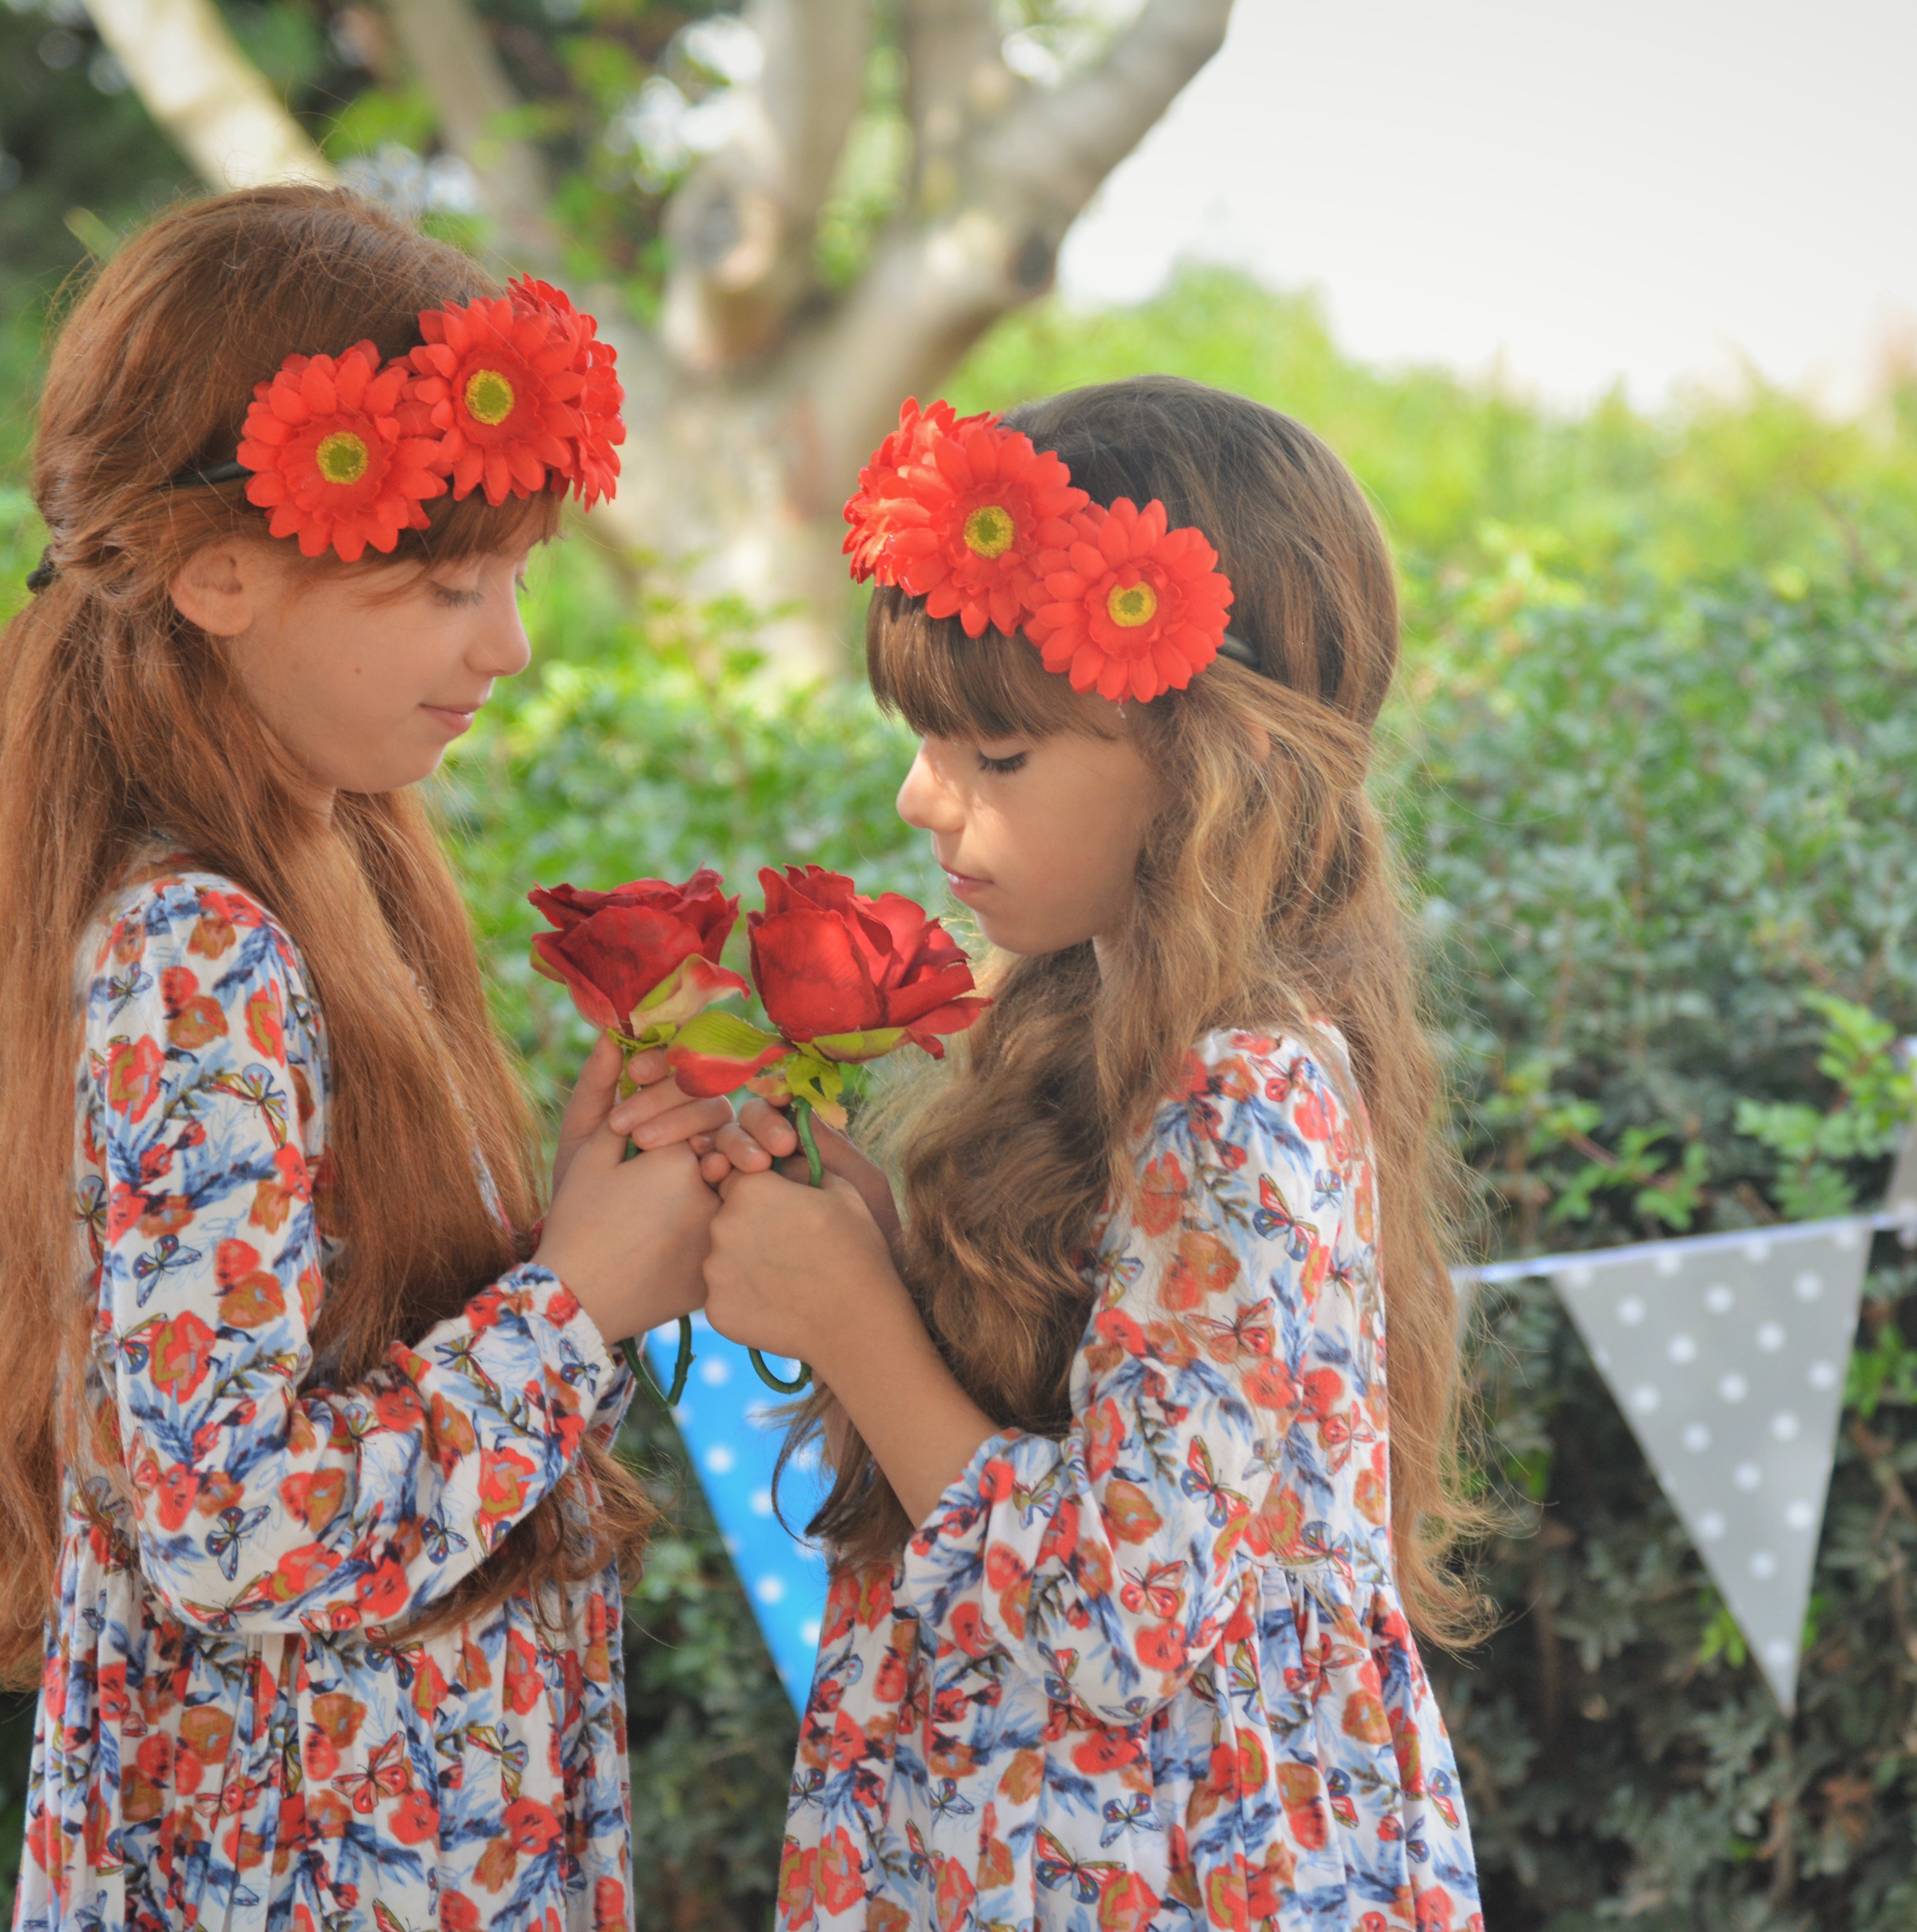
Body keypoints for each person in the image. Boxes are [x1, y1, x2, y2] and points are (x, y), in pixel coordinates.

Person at [0, 186, 730, 1931]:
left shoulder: (324, 867)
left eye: (515, 578)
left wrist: (580, 1226)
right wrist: (576, 1304)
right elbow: (236, 1528)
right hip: (311, 1860)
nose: (507, 645)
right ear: (220, 571)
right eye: (444, 585)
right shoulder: (200, 953)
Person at [695, 376, 1489, 1930]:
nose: (922, 798)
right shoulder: (1088, 1030)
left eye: (996, 755)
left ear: (1210, 767)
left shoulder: (1242, 1101)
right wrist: (869, 1255)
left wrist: (854, 1327)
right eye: (927, 740)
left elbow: (1120, 1620)